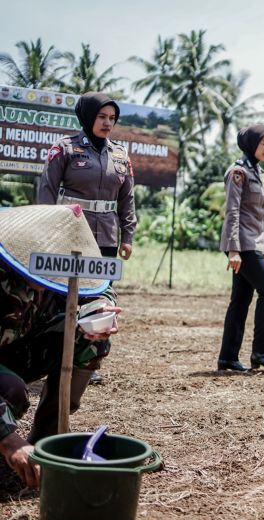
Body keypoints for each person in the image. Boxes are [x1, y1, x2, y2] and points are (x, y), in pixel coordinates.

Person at [0, 205, 122, 488]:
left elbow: (97, 286)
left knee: (88, 342)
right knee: (11, 391)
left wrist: (98, 309)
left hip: (18, 350)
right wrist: (7, 438)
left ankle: (45, 443)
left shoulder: (59, 271)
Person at [38, 92, 136, 385]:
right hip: (70, 234)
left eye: (112, 118)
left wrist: (127, 235)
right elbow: (47, 192)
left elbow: (127, 199)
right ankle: (58, 358)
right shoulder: (64, 149)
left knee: (99, 298)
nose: (108, 123)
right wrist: (45, 232)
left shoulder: (120, 155)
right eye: (102, 117)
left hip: (105, 236)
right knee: (65, 299)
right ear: (87, 116)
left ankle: (88, 361)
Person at [217, 124, 264, 372]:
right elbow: (232, 212)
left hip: (254, 245)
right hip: (242, 244)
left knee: (241, 300)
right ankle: (262, 352)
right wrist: (233, 250)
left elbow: (262, 216)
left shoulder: (259, 172)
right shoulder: (238, 172)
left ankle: (227, 358)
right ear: (251, 143)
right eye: (263, 143)